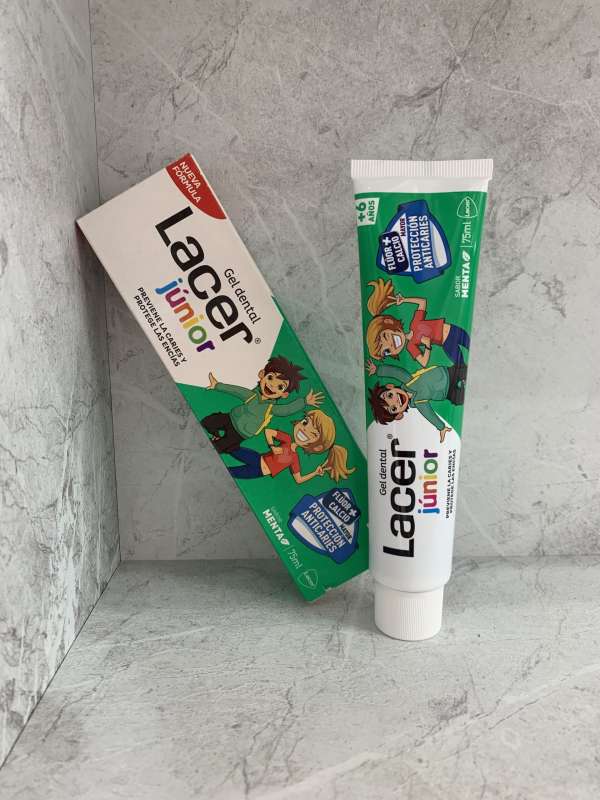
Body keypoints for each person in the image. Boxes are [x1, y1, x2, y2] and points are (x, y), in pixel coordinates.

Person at [201, 355, 323, 454]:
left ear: (284, 394)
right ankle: (217, 435)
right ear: (262, 374)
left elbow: (287, 409)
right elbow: (236, 391)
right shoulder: (252, 395)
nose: (272, 385)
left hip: (242, 432)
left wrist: (304, 402)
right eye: (270, 378)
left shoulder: (271, 408)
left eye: (280, 387)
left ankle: (229, 446)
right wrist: (217, 385)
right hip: (231, 418)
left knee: (219, 447)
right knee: (208, 421)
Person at [227, 411, 355, 483]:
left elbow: (298, 479)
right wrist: (272, 446)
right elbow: (268, 432)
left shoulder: (294, 458)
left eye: (314, 434)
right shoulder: (287, 439)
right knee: (230, 447)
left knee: (230, 473)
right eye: (305, 422)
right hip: (256, 458)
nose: (304, 430)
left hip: (258, 472)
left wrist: (315, 473)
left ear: (317, 447)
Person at [366, 278, 470, 366]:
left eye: (385, 336)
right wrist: (427, 346)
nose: (391, 345)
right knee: (461, 366)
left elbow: (422, 302)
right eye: (387, 351)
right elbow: (424, 362)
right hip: (447, 343)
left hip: (453, 329)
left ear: (389, 322)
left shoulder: (415, 323)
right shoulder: (410, 346)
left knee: (470, 345)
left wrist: (404, 300)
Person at [366, 358, 467, 443]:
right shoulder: (418, 402)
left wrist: (378, 370)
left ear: (390, 386)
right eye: (393, 408)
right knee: (459, 400)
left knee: (463, 371)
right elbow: (429, 414)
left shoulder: (408, 381)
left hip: (447, 373)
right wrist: (442, 427)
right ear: (399, 415)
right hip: (448, 393)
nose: (396, 401)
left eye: (390, 395)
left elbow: (396, 373)